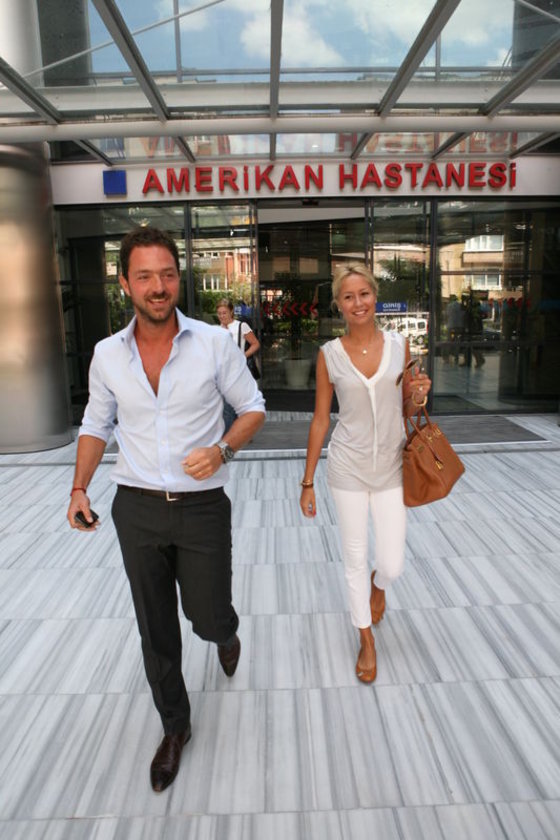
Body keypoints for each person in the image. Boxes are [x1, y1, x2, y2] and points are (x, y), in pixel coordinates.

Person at [66, 227, 265, 793]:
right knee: (155, 627)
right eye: (145, 276)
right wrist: (79, 489)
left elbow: (252, 407)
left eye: (168, 275)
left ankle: (225, 633)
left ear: (179, 279)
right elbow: (95, 424)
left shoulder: (214, 343)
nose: (158, 287)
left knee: (207, 615)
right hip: (137, 508)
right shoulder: (108, 354)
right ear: (124, 283)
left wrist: (223, 449)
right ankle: (175, 726)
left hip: (202, 508)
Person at [299, 263, 431, 684]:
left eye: (364, 294)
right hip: (348, 468)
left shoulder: (399, 345)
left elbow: (406, 407)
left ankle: (380, 586)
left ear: (375, 296)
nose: (358, 303)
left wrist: (418, 395)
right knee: (354, 558)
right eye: (348, 297)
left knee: (391, 563)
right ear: (338, 304)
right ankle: (366, 639)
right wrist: (307, 482)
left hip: (391, 466)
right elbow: (321, 419)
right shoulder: (329, 355)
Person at [216, 298, 261, 431]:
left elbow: (255, 344)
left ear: (231, 312)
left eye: (224, 313)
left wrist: (243, 356)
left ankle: (230, 436)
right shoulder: (217, 329)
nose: (221, 316)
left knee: (230, 407)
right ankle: (239, 433)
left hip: (238, 371)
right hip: (223, 372)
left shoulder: (241, 326)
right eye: (219, 313)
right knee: (229, 406)